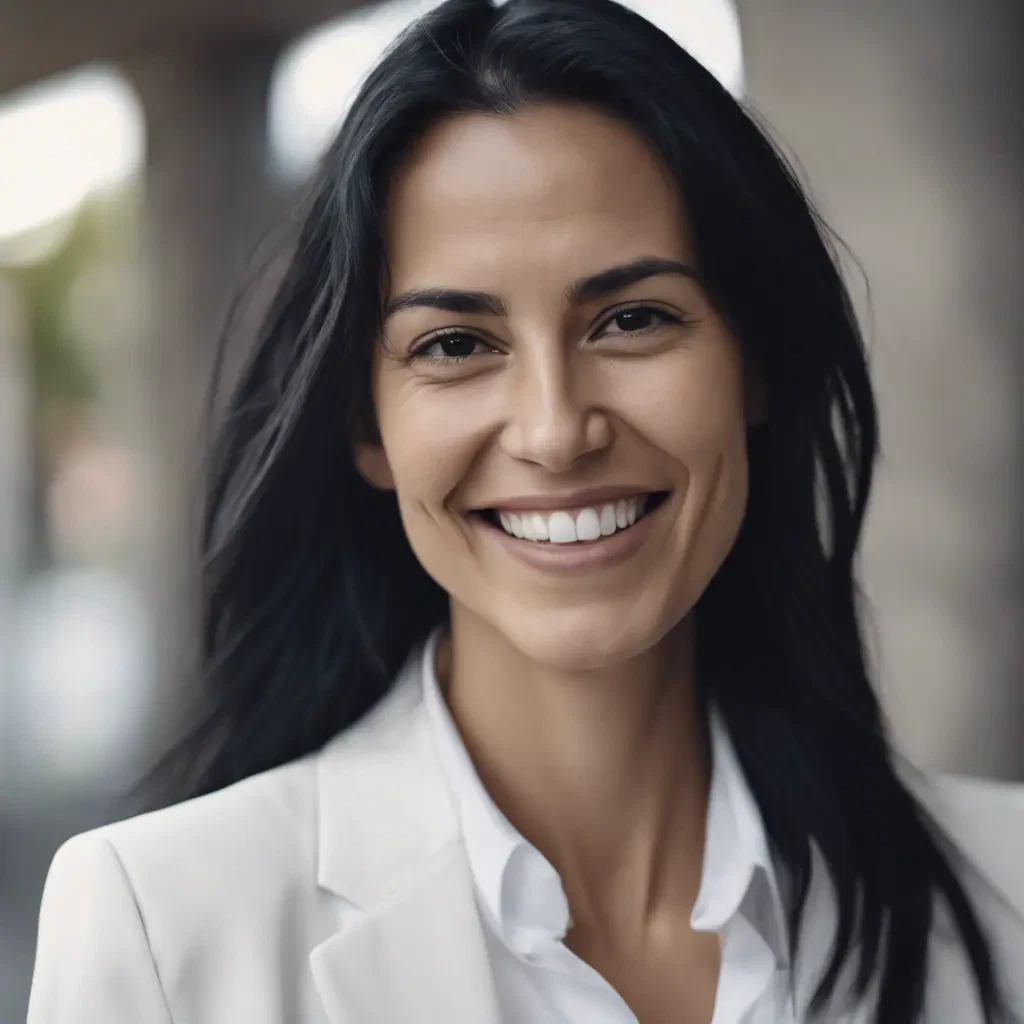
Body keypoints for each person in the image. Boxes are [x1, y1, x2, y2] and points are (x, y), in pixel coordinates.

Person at [27, 0, 1024, 1021]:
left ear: (753, 364)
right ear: (365, 426)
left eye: (632, 319)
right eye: (455, 344)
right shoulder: (164, 931)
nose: (555, 430)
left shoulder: (1009, 892)